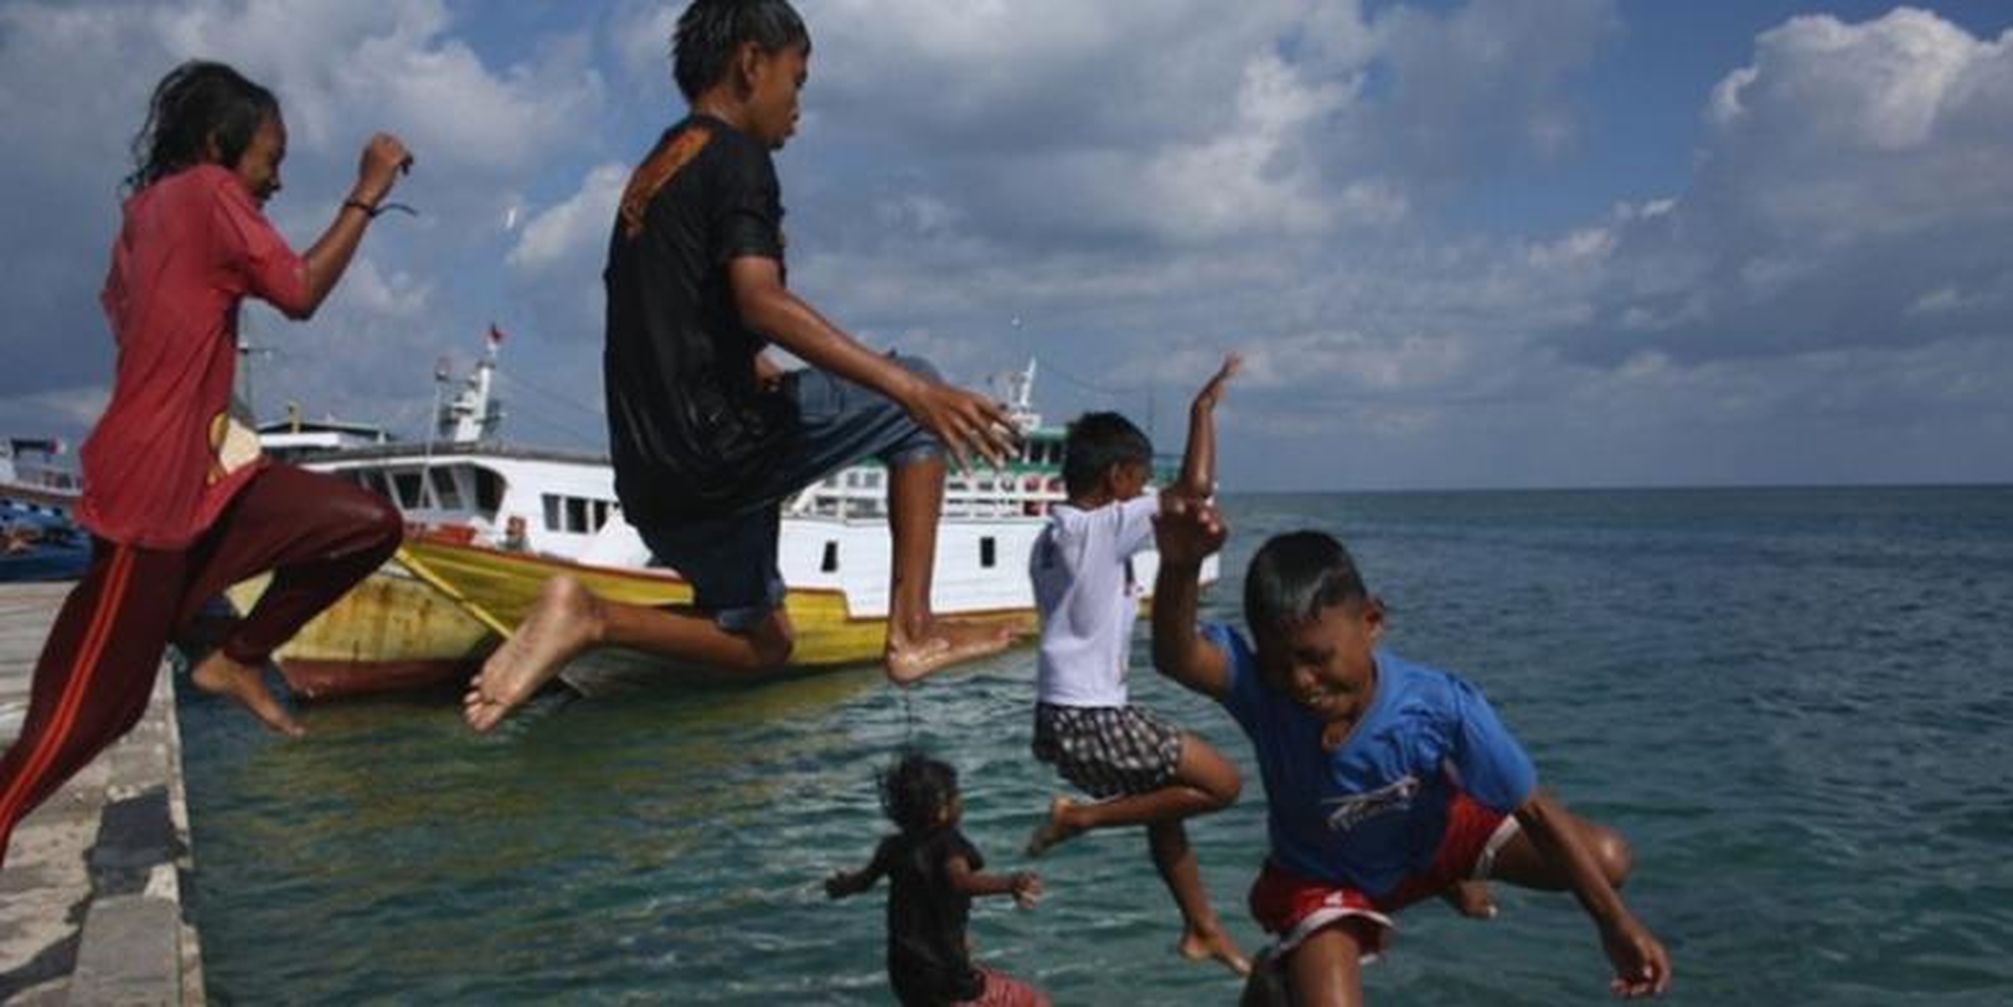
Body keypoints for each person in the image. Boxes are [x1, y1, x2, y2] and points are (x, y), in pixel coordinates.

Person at [462, 0, 1019, 731]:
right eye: (798, 80)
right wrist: (913, 391)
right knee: (916, 386)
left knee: (763, 642)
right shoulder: (736, 157)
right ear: (750, 64)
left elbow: (676, 313)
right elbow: (759, 299)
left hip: (650, 476)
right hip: (715, 452)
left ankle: (589, 615)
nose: (798, 107)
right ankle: (912, 629)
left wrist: (751, 363)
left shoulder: (655, 170)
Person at [0, 61, 411, 866]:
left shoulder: (145, 215)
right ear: (222, 146)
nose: (278, 179)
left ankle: (229, 652)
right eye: (271, 158)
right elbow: (296, 289)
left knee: (367, 524)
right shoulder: (208, 192)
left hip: (210, 479)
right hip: (151, 497)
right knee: (84, 719)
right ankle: (202, 637)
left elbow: (126, 315)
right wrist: (367, 192)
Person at [1150, 508, 1674, 1004]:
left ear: (1372, 621)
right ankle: (1284, 967)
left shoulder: (1440, 706)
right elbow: (1178, 657)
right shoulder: (1268, 695)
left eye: (1316, 658)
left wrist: (1614, 924)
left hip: (1437, 840)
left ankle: (1450, 878)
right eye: (1280, 664)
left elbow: (1533, 808)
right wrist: (1179, 567)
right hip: (1324, 875)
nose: (1301, 682)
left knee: (1609, 860)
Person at [1019, 355, 1250, 975]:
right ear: (1120, 478)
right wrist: (1202, 411)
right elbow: (1194, 493)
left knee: (1167, 807)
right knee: (1223, 784)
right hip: (1090, 716)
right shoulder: (1100, 528)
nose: (1149, 487)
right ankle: (1079, 817)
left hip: (1060, 716)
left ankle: (1201, 927)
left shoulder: (1052, 537)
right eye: (1143, 477)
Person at [825, 752, 1050, 1007]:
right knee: (1033, 1002)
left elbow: (861, 882)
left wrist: (840, 886)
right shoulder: (948, 844)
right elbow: (960, 881)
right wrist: (1010, 883)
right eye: (956, 794)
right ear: (943, 809)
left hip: (905, 975)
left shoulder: (891, 847)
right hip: (947, 978)